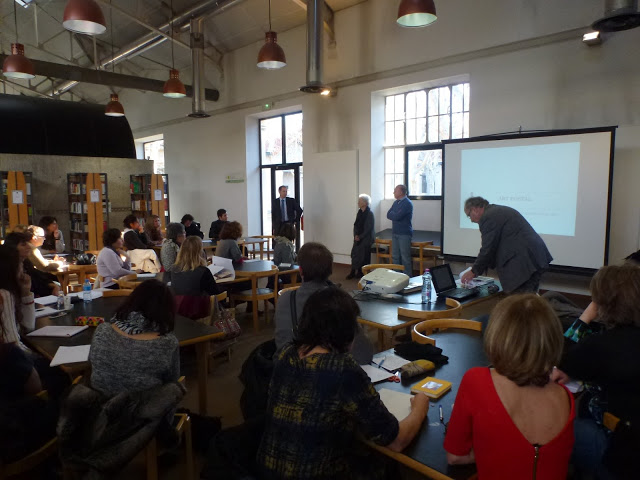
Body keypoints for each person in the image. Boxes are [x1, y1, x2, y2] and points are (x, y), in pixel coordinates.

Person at [257, 287, 429, 480]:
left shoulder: (285, 353)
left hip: (269, 471)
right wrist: (420, 407)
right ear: (347, 331)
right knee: (385, 465)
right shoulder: (342, 369)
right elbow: (396, 441)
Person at [444, 294, 575, 479]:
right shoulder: (565, 396)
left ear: (497, 335)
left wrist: (488, 449)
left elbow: (455, 457)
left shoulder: (476, 380)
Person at [552, 265, 640, 479]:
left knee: (552, 429)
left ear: (603, 303)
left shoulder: (602, 345)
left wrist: (586, 315)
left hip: (621, 455)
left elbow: (560, 358)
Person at [274, 242, 373, 364]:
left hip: (288, 369)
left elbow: (281, 343)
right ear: (330, 270)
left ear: (300, 271)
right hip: (329, 374)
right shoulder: (339, 302)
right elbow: (364, 355)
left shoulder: (285, 299)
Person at [89, 279, 179, 396]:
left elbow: (92, 364)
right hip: (145, 411)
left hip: (98, 408)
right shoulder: (167, 343)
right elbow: (172, 380)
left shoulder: (102, 330)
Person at [460, 196, 552, 294]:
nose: (471, 220)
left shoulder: (488, 217)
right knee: (527, 302)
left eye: (469, 215)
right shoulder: (496, 211)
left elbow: (487, 248)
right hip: (533, 259)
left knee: (519, 302)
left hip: (523, 264)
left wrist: (473, 271)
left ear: (475, 209)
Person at [164, 236, 218, 319]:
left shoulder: (174, 269)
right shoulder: (203, 271)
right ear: (200, 252)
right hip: (197, 310)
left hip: (178, 310)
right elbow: (214, 291)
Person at [3, 232, 60, 297]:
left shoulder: (26, 262)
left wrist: (51, 284)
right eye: (23, 245)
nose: (29, 247)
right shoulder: (6, 268)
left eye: (28, 243)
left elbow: (37, 275)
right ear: (12, 248)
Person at [386, 185, 413, 275]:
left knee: (405, 257)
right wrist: (395, 214)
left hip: (404, 234)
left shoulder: (407, 203)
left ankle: (407, 278)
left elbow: (397, 216)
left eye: (395, 191)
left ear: (401, 192)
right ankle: (397, 277)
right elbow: (388, 214)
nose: (393, 192)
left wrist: (395, 214)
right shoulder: (395, 203)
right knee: (395, 257)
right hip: (395, 233)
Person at [348, 194, 375, 279]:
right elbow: (356, 225)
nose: (358, 203)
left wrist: (360, 236)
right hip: (358, 237)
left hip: (366, 238)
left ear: (365, 203)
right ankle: (353, 271)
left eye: (360, 201)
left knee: (363, 256)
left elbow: (368, 228)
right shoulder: (359, 213)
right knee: (354, 254)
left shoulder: (370, 214)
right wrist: (355, 235)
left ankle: (361, 272)